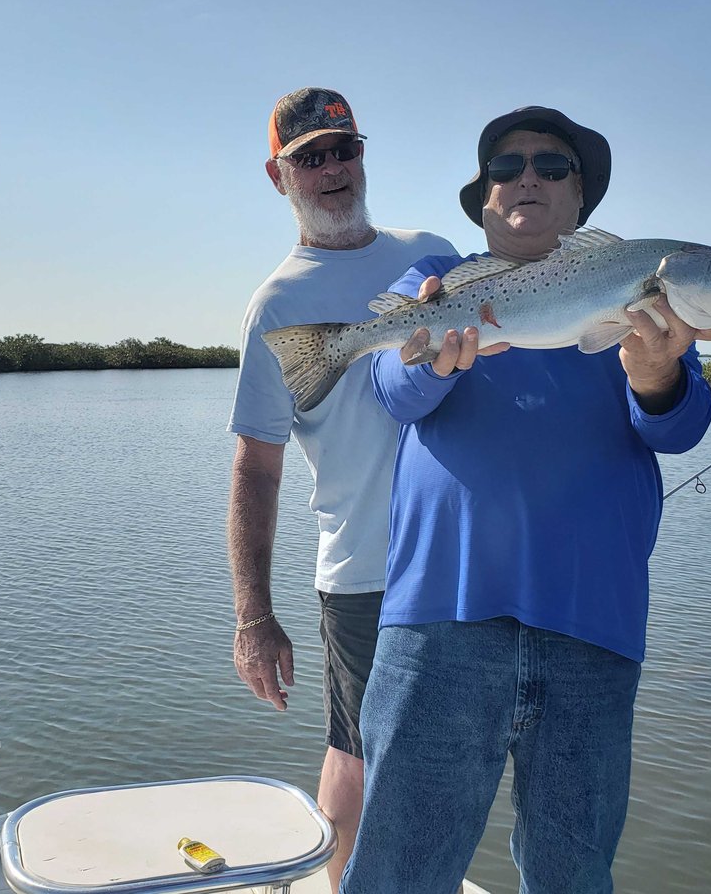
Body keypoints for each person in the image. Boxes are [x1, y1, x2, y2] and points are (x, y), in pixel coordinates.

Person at [340, 107, 711, 894]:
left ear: (581, 200)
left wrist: (654, 372)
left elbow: (680, 430)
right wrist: (432, 363)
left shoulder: (647, 297)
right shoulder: (435, 286)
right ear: (482, 197)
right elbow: (392, 392)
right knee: (399, 866)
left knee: (572, 871)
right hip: (440, 618)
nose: (527, 179)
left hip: (593, 622)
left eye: (552, 167)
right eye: (507, 167)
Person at [226, 87, 457, 892]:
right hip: (364, 567)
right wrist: (253, 616)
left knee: (424, 753)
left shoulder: (433, 251)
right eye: (309, 157)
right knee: (359, 754)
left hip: (466, 556)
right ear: (276, 175)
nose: (332, 168)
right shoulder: (277, 304)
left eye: (344, 149)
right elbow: (256, 468)